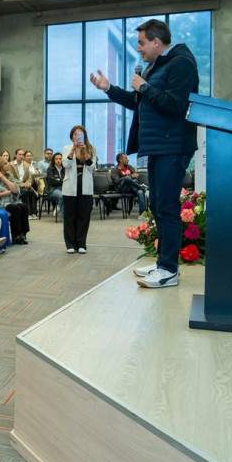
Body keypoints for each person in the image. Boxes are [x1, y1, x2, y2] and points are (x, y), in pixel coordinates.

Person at [91, 18, 198, 288]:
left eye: (141, 43)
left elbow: (176, 105)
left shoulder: (181, 63)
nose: (138, 49)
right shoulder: (155, 67)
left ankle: (169, 270)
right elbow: (138, 102)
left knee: (168, 208)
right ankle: (164, 262)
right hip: (158, 147)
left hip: (173, 146)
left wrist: (145, 87)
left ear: (156, 41)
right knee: (158, 207)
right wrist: (109, 89)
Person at [61, 125, 97, 254]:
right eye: (75, 134)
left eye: (80, 134)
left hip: (85, 185)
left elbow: (92, 167)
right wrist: (73, 150)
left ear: (84, 136)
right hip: (70, 186)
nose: (77, 136)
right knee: (70, 216)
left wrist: (85, 152)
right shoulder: (66, 148)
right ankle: (70, 244)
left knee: (84, 215)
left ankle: (82, 244)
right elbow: (65, 164)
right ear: (72, 136)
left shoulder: (91, 148)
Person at [0, 158, 31, 245]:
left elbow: (15, 190)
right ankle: (16, 235)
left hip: (12, 200)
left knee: (23, 207)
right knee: (15, 208)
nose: (8, 165)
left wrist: (3, 178)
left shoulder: (9, 176)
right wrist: (5, 193)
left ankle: (22, 233)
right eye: (5, 164)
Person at [111, 153, 148, 218]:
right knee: (127, 179)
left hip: (133, 187)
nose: (128, 160)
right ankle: (142, 188)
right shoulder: (114, 170)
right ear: (120, 160)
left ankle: (143, 214)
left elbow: (136, 177)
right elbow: (116, 181)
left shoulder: (130, 167)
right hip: (122, 188)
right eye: (126, 158)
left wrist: (133, 177)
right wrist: (129, 176)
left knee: (140, 192)